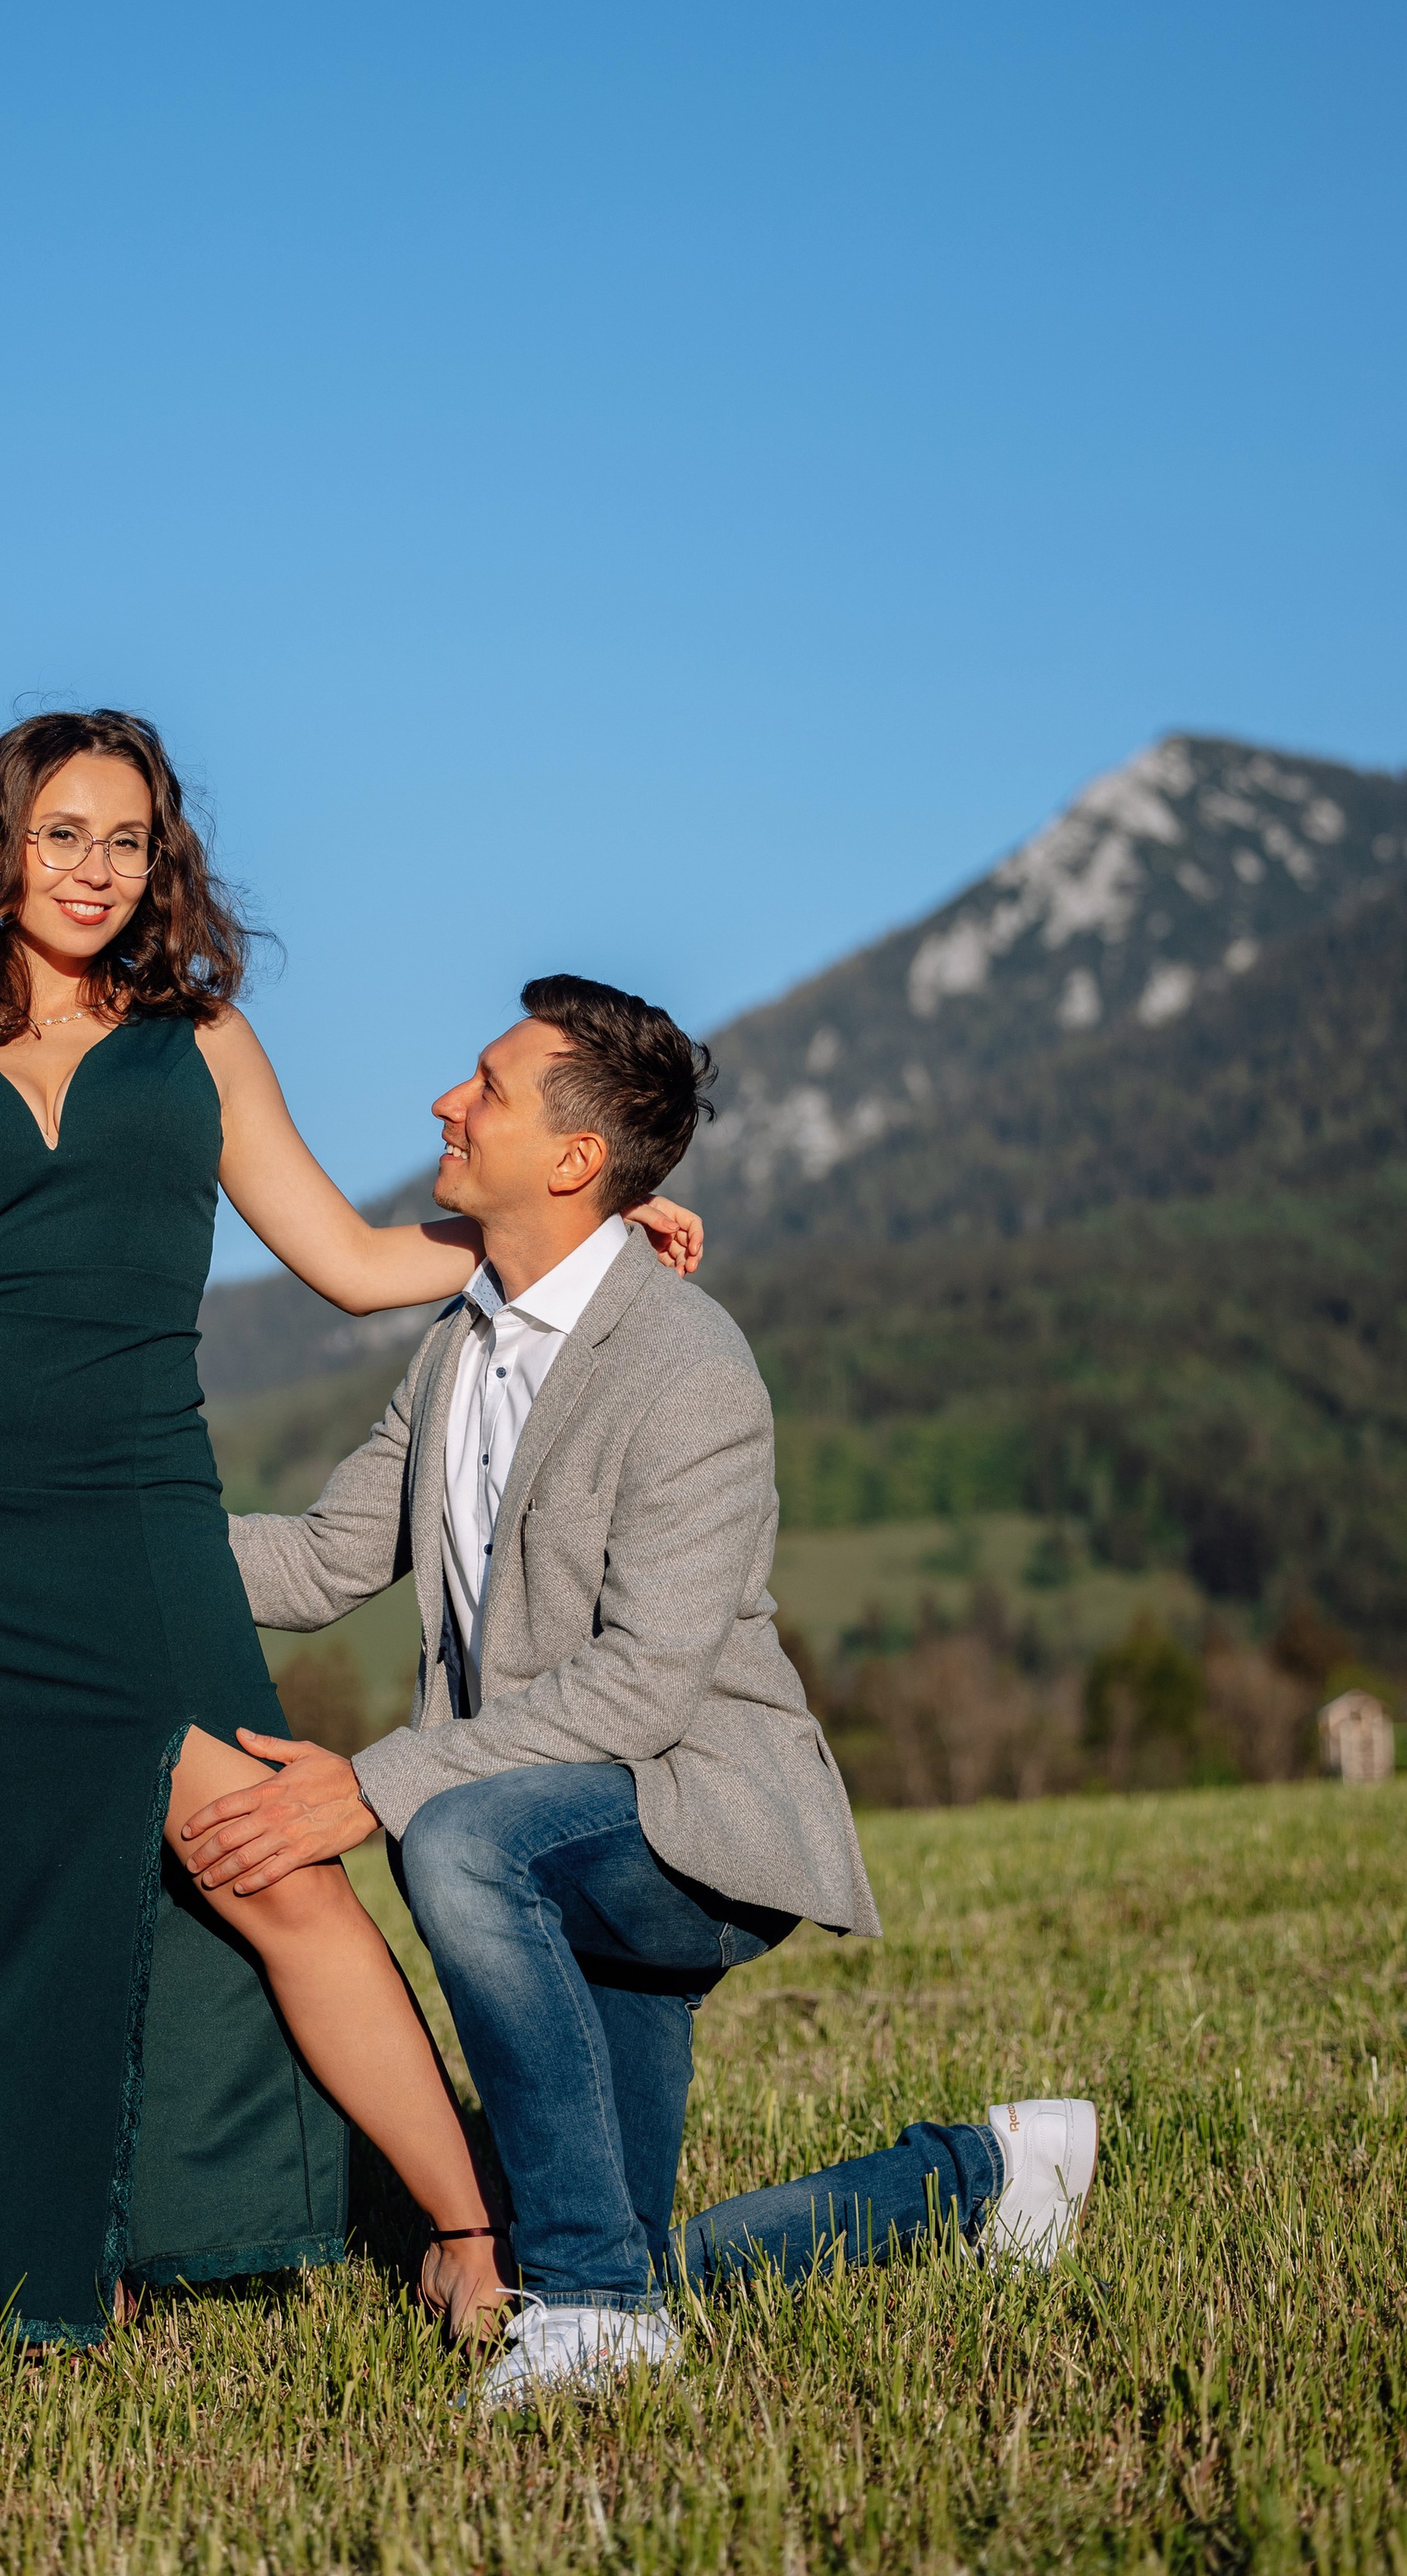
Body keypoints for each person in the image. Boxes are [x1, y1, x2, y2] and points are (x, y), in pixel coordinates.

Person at [0, 713, 702, 2348]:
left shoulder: (198, 1042)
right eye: (63, 834)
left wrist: (562, 1225)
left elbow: (355, 1261)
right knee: (34, 1917)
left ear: (160, 864)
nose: (95, 869)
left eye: (128, 840)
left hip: (143, 1523)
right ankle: (75, 2272)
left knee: (275, 1867)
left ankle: (466, 2232)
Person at [182, 975, 1099, 2400]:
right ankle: (982, 2176)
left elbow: (642, 1691)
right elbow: (313, 1562)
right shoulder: (456, 1354)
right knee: (622, 2245)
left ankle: (593, 2313)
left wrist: (369, 1788)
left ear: (573, 1160)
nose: (446, 1102)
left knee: (464, 1837)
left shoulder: (687, 1363)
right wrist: (101, 1550)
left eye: (484, 1086)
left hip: (693, 1828)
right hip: (560, 1824)